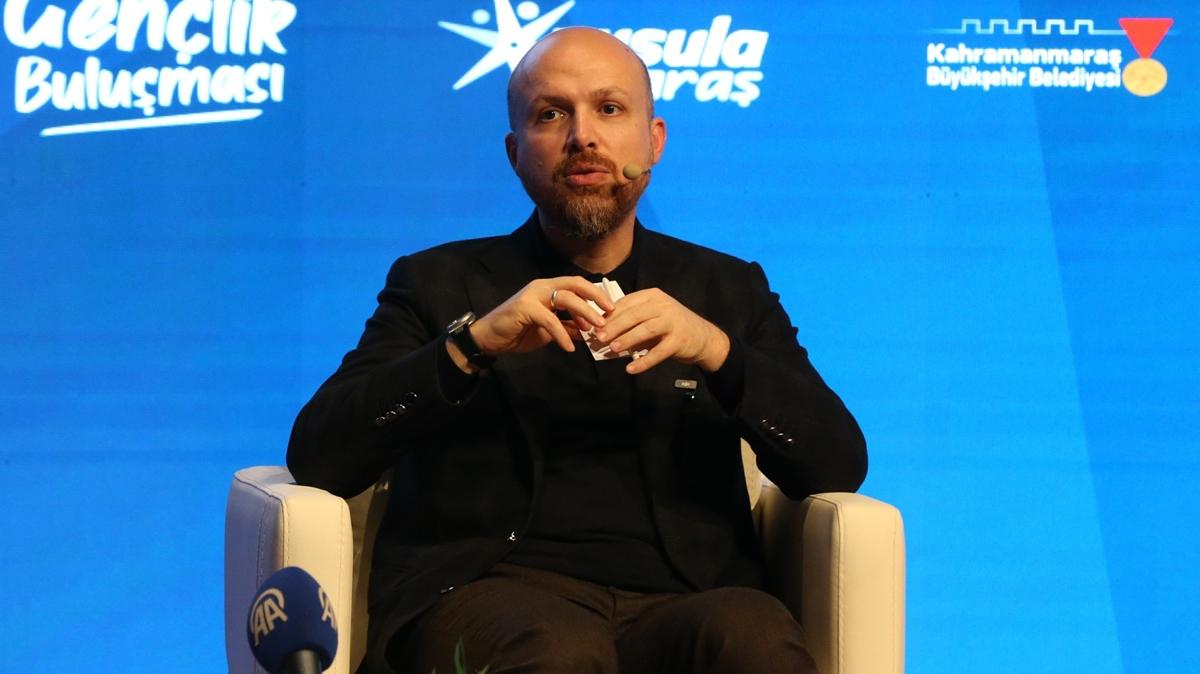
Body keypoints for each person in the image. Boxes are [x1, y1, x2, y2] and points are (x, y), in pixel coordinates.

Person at [287, 27, 866, 674]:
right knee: (557, 650)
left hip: (686, 601)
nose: (583, 136)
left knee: (754, 636)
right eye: (551, 114)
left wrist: (718, 352)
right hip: (490, 597)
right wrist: (471, 346)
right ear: (515, 152)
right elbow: (320, 457)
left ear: (654, 141)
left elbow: (836, 465)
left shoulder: (725, 289)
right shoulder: (439, 283)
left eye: (609, 109)